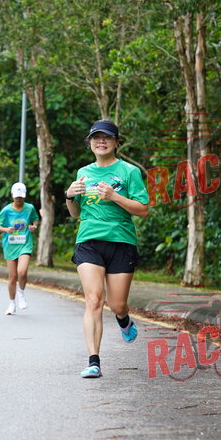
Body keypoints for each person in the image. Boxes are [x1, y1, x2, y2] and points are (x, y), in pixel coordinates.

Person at [65, 119, 149, 378]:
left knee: (117, 304)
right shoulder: (83, 172)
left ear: (116, 142)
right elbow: (75, 213)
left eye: (107, 137)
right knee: (94, 300)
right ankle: (94, 361)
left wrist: (115, 196)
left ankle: (123, 319)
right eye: (96, 137)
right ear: (90, 142)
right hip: (89, 240)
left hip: (121, 241)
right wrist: (69, 196)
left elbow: (143, 210)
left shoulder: (129, 172)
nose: (101, 141)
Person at [0, 183, 39, 315]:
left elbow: (35, 220)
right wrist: (6, 229)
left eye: (21, 197)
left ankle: (21, 293)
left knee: (22, 272)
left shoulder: (30, 208)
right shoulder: (6, 210)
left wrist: (34, 227)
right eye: (17, 196)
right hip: (10, 245)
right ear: (12, 195)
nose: (19, 199)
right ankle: (12, 303)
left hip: (25, 244)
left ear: (24, 196)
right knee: (13, 277)